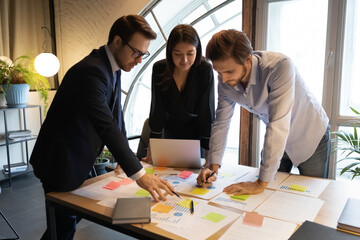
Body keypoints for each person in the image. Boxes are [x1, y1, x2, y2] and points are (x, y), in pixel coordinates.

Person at [30, 15, 174, 240]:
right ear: (117, 41)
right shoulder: (92, 70)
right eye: (136, 52)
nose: (138, 60)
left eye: (143, 55)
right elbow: (105, 124)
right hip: (60, 159)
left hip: (78, 156)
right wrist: (139, 174)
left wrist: (125, 159)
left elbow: (117, 117)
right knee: (63, 226)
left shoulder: (111, 66)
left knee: (68, 220)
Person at [197, 29, 330, 195]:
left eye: (229, 71)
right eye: (219, 72)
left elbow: (278, 124)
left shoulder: (279, 67)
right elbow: (221, 122)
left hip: (310, 137)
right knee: (271, 197)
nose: (223, 79)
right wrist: (212, 167)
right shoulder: (225, 78)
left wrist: (259, 184)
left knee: (311, 197)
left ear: (247, 58)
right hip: (277, 140)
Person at [142, 24, 215, 164]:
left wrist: (209, 158)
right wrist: (150, 152)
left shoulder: (204, 69)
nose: (185, 60)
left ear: (197, 50)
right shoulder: (159, 69)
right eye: (177, 54)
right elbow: (157, 111)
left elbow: (207, 112)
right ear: (170, 52)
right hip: (169, 134)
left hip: (197, 135)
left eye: (190, 53)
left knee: (193, 177)